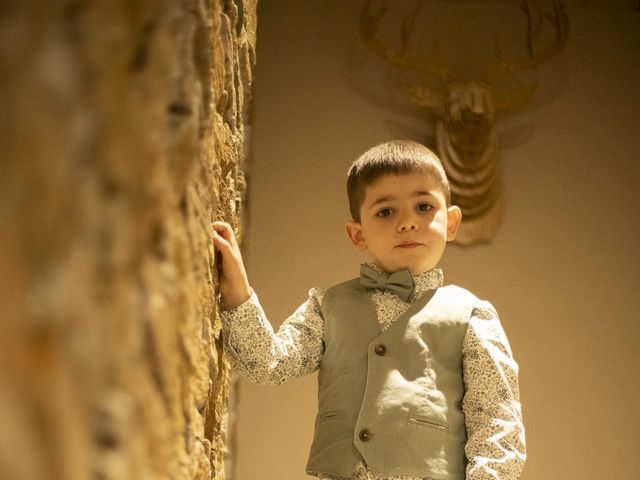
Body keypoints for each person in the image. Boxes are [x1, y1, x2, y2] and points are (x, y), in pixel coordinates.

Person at [212, 140, 525, 480]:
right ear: (357, 234)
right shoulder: (326, 306)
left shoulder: (473, 316)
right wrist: (237, 292)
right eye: (385, 211)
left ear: (450, 223)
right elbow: (267, 364)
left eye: (423, 206)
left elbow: (496, 421)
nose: (407, 222)